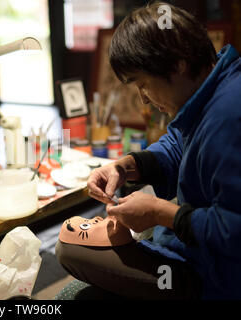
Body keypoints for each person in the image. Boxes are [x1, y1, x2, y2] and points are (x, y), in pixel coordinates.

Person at [56, 2, 241, 299]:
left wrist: (160, 213)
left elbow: (234, 230)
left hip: (215, 278)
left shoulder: (229, 114)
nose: (143, 100)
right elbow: (178, 144)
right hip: (194, 255)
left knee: (68, 248)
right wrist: (123, 166)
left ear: (178, 63)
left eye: (143, 84)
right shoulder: (213, 91)